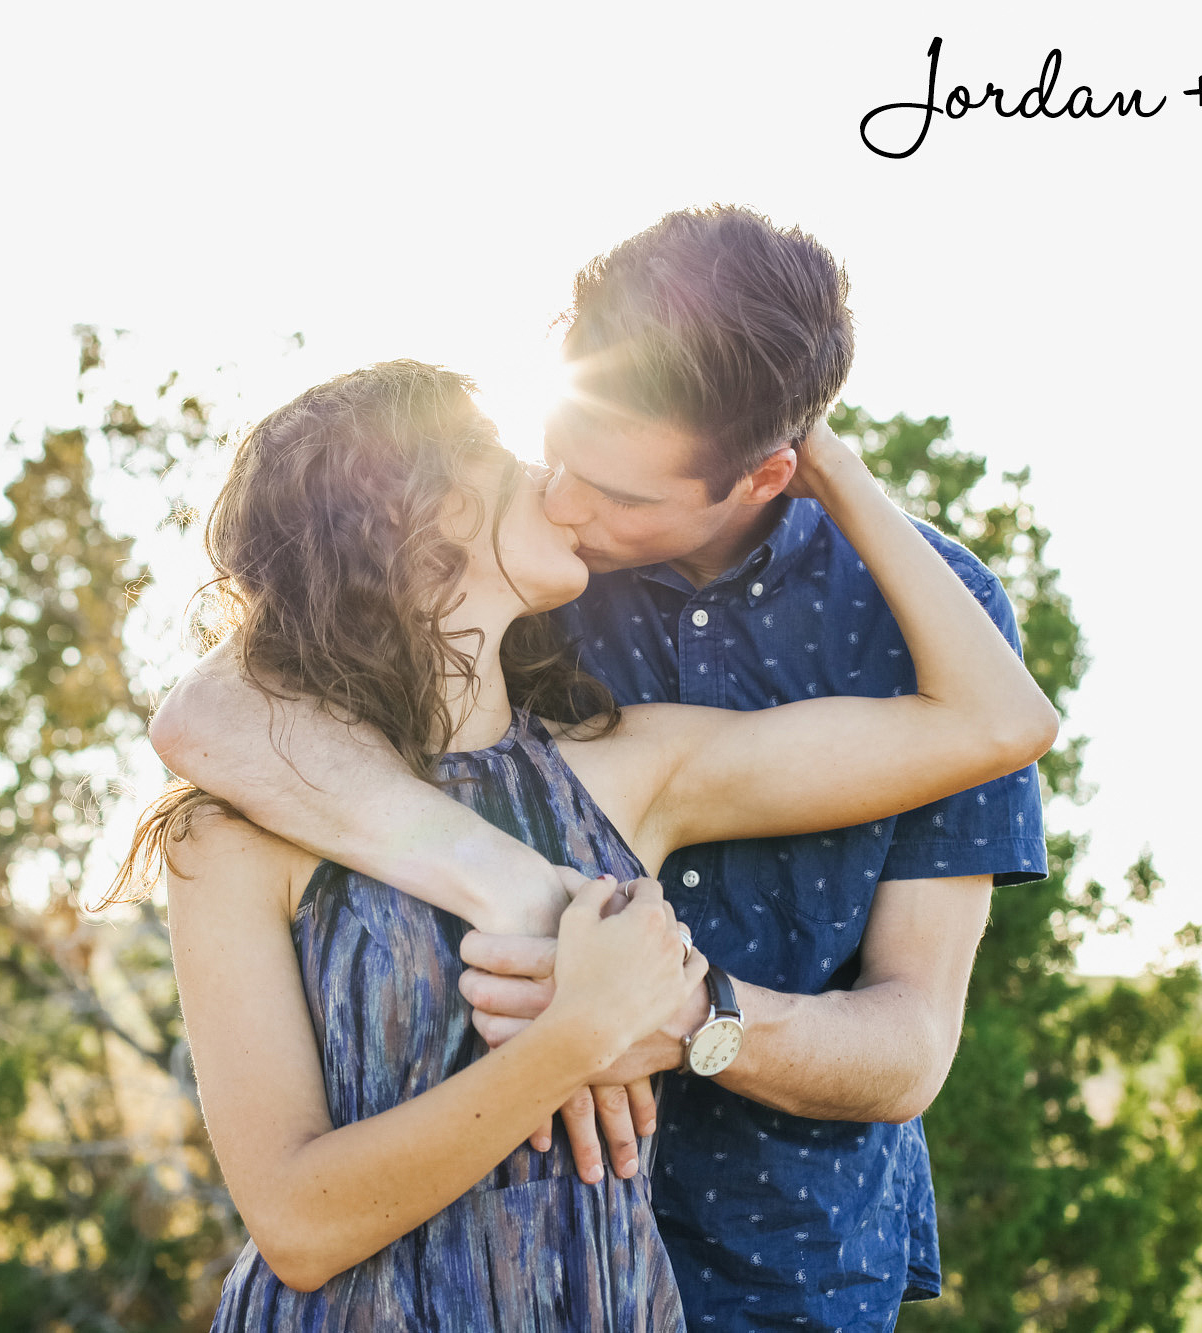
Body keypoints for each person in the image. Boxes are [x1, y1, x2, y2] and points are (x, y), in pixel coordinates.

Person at [152, 207, 1053, 1330]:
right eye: (543, 454)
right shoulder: (250, 817)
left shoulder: (655, 748)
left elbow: (990, 744)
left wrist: (826, 458)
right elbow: (200, 712)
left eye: (618, 492)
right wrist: (537, 916)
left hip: (776, 1268)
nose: (566, 501)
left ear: (765, 470)